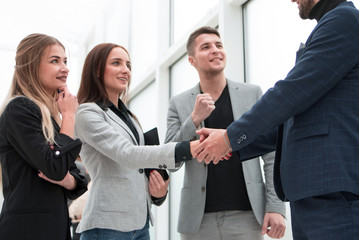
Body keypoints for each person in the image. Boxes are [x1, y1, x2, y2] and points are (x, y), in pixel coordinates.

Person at [194, 1, 359, 239]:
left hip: (333, 191)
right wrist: (233, 144)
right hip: (315, 192)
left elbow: (291, 92)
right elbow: (294, 118)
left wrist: (229, 139)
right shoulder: (332, 24)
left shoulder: (344, 20)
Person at [165, 26, 286, 240]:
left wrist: (275, 207)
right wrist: (193, 119)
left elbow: (271, 154)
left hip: (247, 216)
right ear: (192, 60)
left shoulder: (252, 94)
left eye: (218, 45)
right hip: (197, 221)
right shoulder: (179, 103)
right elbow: (169, 160)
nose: (215, 50)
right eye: (206, 47)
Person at [75, 43, 199, 240]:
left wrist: (158, 193)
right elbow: (127, 154)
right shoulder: (87, 113)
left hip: (140, 224)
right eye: (116, 63)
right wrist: (184, 149)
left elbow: (137, 169)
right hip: (107, 226)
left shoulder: (130, 117)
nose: (125, 70)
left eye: (128, 65)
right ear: (97, 70)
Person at [0, 33, 88, 240]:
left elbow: (77, 179)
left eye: (65, 61)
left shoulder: (49, 117)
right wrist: (68, 115)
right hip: (27, 230)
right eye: (55, 61)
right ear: (30, 66)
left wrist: (67, 181)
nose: (65, 68)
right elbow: (55, 167)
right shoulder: (19, 109)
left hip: (52, 228)